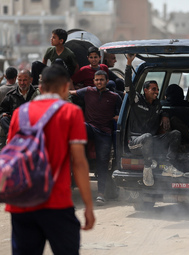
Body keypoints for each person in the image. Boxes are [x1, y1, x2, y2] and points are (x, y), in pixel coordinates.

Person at [5, 64, 95, 255]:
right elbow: (79, 163)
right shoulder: (71, 112)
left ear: (41, 87)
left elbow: (10, 153)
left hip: (21, 203)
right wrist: (88, 205)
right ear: (65, 87)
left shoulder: (20, 114)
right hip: (56, 203)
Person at [125, 54, 183, 187]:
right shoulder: (137, 100)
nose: (156, 92)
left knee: (175, 134)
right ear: (145, 90)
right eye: (153, 89)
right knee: (147, 136)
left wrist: (165, 114)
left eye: (157, 89)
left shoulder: (157, 104)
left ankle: (168, 166)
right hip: (135, 142)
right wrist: (129, 63)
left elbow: (161, 111)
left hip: (151, 141)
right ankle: (147, 168)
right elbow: (128, 85)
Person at [70, 70, 121, 205]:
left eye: (101, 80)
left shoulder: (115, 97)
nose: (99, 82)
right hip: (89, 127)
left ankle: (100, 194)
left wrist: (117, 117)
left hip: (105, 132)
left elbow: (122, 113)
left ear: (106, 80)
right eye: (97, 80)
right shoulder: (88, 91)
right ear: (93, 81)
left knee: (102, 163)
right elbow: (71, 93)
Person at [0, 69, 37, 135]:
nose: (22, 83)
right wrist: (3, 114)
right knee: (4, 119)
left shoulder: (37, 93)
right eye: (20, 80)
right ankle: (13, 137)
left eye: (25, 80)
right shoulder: (11, 95)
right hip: (16, 128)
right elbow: (2, 110)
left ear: (30, 80)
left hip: (33, 127)